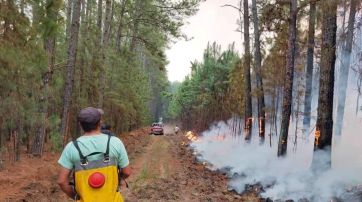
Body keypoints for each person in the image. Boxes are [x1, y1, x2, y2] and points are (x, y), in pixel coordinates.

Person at [57, 107, 131, 201]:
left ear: (80, 124)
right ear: (100, 123)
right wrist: (116, 179)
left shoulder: (71, 147)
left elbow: (62, 181)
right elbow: (127, 172)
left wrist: (75, 196)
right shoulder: (115, 142)